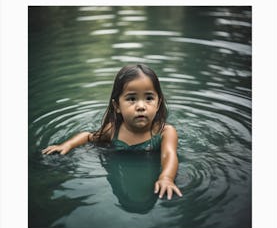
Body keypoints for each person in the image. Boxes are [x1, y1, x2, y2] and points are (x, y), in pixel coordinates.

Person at [42, 64, 183, 200]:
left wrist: (166, 178)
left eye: (149, 98)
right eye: (132, 99)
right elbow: (88, 136)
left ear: (158, 104)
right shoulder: (113, 130)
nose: (141, 106)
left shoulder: (165, 132)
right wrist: (67, 145)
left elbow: (168, 155)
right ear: (117, 106)